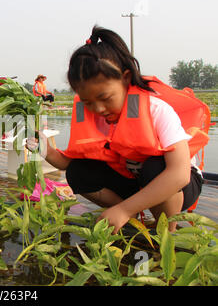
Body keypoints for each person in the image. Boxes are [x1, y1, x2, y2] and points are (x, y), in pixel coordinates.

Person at [28, 26, 209, 234]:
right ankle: (130, 216)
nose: (98, 109)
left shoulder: (156, 110)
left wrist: (123, 209)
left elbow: (179, 175)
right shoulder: (92, 115)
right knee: (78, 172)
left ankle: (167, 231)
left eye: (105, 98)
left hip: (178, 184)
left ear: (125, 78)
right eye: (88, 102)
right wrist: (45, 149)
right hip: (132, 177)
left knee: (153, 167)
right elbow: (68, 163)